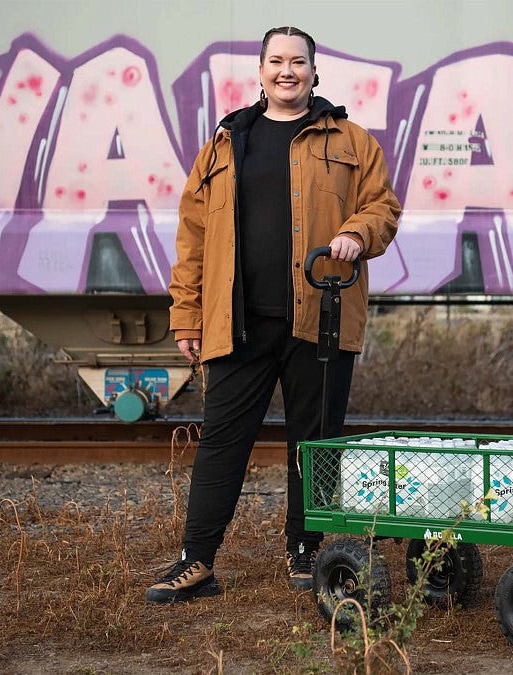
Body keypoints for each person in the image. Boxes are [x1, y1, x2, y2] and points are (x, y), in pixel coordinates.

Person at [146, 26, 401, 604]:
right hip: (239, 322)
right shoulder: (227, 142)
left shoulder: (353, 141)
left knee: (315, 443)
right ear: (260, 71)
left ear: (315, 71)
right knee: (221, 440)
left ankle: (307, 553)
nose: (288, 71)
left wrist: (357, 234)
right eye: (276, 61)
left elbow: (383, 209)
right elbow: (193, 235)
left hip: (322, 317)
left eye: (299, 62)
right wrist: (186, 315)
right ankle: (196, 562)